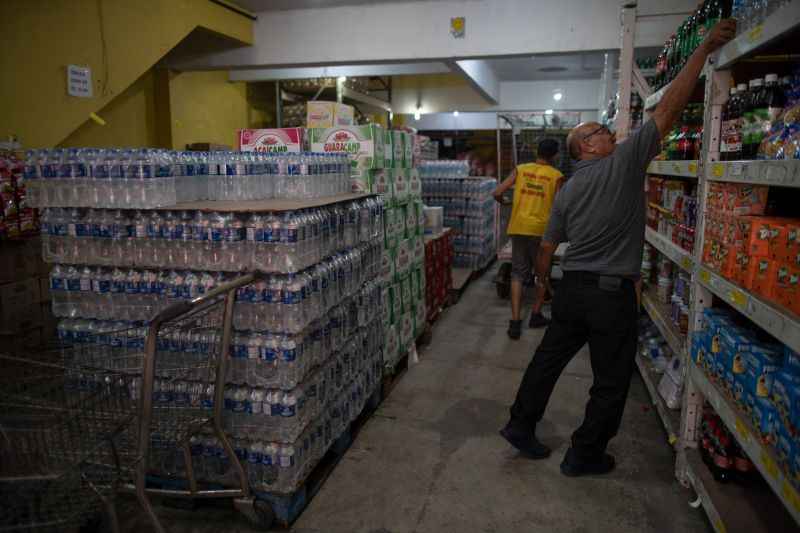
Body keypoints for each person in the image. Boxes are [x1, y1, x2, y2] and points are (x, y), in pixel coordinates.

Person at [499, 20, 737, 476]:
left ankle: (520, 424)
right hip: (610, 296)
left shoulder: (567, 188)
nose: (610, 132)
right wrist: (704, 49)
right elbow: (667, 110)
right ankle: (584, 454)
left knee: (547, 360)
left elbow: (548, 246)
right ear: (586, 146)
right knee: (609, 380)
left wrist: (547, 286)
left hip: (573, 288)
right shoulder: (624, 163)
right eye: (599, 131)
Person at [493, 139, 564, 340]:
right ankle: (535, 315)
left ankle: (515, 322)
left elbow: (497, 192)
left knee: (517, 273)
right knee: (541, 275)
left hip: (519, 227)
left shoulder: (521, 169)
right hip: (542, 231)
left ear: (537, 152)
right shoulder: (556, 176)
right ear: (555, 155)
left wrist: (506, 201)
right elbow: (558, 208)